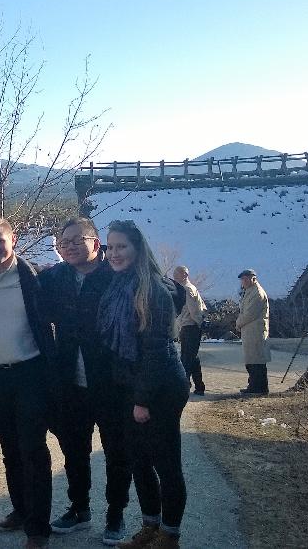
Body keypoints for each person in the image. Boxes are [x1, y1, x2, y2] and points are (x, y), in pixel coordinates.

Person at [97, 220, 189, 549]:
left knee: (166, 463)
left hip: (159, 388)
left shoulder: (153, 290)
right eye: (111, 246)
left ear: (137, 249)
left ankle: (170, 535)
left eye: (122, 246)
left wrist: (143, 400)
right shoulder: (117, 283)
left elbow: (156, 350)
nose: (115, 253)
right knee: (138, 461)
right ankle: (150, 527)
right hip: (131, 386)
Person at [40, 217, 131, 546]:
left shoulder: (117, 277)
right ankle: (80, 508)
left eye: (79, 240)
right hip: (70, 381)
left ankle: (116, 514)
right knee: (74, 450)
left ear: (97, 243)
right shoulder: (55, 278)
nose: (72, 247)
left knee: (116, 451)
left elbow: (165, 293)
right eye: (65, 242)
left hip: (111, 382)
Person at [0, 218, 56, 549]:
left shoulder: (33, 277)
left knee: (33, 450)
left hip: (30, 374)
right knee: (9, 451)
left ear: (13, 240)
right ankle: (20, 510)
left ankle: (38, 529)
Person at [172, 266, 207, 396]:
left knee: (186, 358)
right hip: (188, 326)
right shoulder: (190, 288)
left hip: (190, 326)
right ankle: (199, 386)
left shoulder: (187, 289)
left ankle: (184, 386)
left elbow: (195, 310)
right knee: (192, 358)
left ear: (184, 275)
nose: (174, 276)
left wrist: (199, 322)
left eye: (176, 274)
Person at [236, 268, 271, 395]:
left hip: (255, 330)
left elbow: (250, 314)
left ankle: (259, 387)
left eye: (245, 279)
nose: (243, 282)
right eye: (242, 280)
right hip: (249, 330)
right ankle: (254, 385)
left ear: (253, 278)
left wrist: (238, 323)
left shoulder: (257, 293)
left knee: (257, 360)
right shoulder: (249, 291)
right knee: (251, 360)